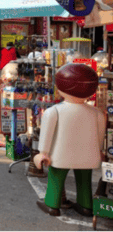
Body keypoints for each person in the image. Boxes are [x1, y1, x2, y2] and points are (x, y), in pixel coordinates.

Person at [34, 64, 105, 217]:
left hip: (61, 155)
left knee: (56, 178)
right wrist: (99, 151)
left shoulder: (54, 112)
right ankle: (86, 206)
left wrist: (43, 153)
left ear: (61, 87)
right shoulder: (97, 113)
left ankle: (52, 205)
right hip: (88, 156)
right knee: (84, 180)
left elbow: (46, 135)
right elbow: (100, 137)